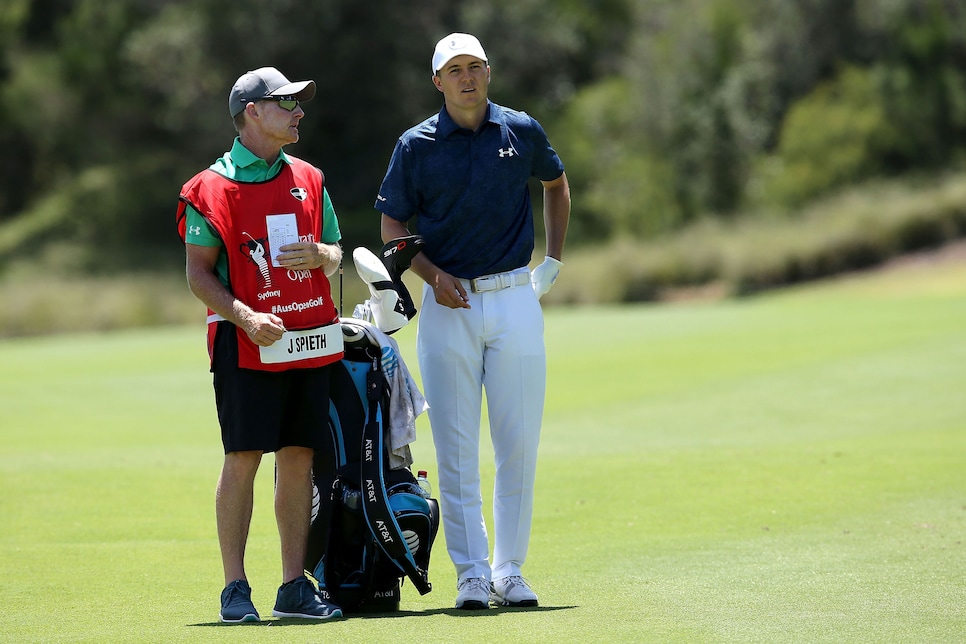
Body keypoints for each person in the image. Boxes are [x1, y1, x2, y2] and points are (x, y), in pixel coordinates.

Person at [374, 33, 571, 610]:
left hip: (514, 298)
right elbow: (392, 227)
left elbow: (556, 184)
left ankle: (509, 569)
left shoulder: (520, 130)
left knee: (517, 443)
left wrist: (552, 263)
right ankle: (472, 574)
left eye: (476, 67)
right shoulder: (416, 145)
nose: (468, 78)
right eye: (455, 70)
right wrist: (431, 276)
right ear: (438, 82)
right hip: (445, 305)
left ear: (489, 72)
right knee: (456, 448)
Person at [176, 67, 345, 623]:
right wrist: (246, 317)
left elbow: (337, 252)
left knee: (299, 455)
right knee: (244, 455)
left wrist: (322, 255)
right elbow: (199, 275)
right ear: (253, 111)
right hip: (247, 340)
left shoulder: (311, 178)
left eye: (299, 102)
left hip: (309, 335)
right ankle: (235, 588)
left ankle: (294, 586)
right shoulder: (209, 187)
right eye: (286, 102)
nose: (299, 111)